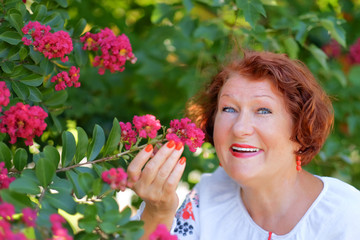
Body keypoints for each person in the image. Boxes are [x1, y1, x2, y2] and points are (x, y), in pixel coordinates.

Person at [127, 50, 360, 239]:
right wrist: (158, 211)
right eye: (229, 109)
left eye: (263, 110)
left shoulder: (347, 217)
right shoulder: (207, 198)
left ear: (301, 131)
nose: (239, 128)